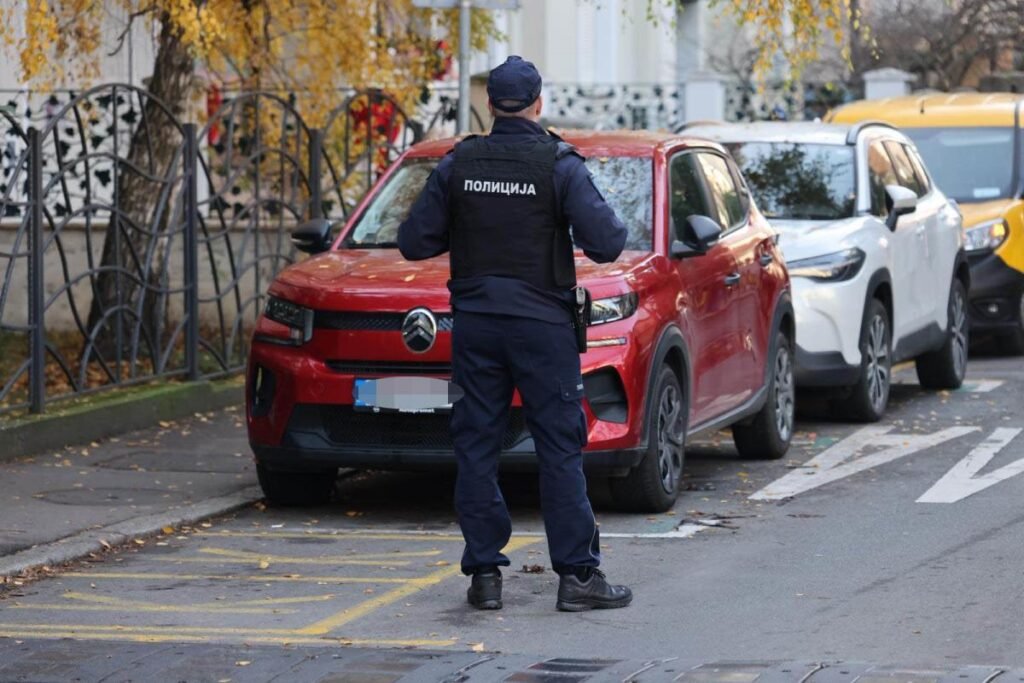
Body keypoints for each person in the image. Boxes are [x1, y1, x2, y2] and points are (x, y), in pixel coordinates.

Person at [398, 56, 631, 612]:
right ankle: (576, 577)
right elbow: (608, 241)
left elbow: (413, 242)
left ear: (488, 106)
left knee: (476, 444)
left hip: (477, 326)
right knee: (559, 447)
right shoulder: (559, 164)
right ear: (538, 103)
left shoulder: (460, 163)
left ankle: (484, 576)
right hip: (543, 327)